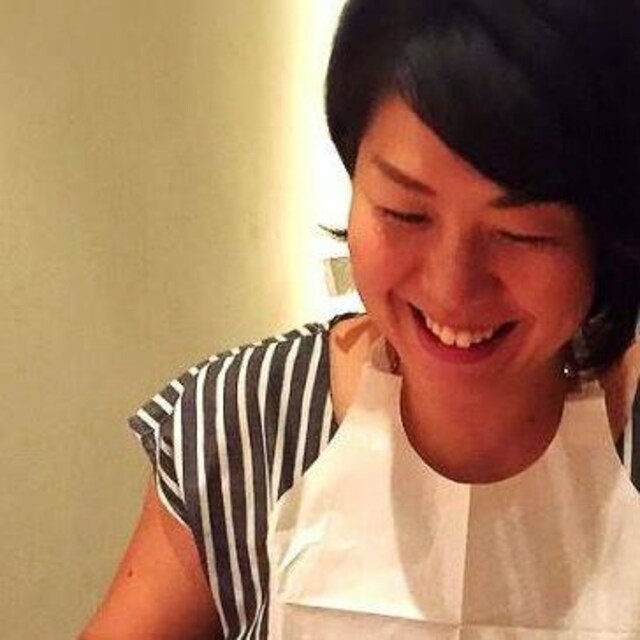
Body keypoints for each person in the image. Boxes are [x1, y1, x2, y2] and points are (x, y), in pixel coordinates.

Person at [81, 0, 640, 637]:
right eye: (405, 212)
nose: (451, 287)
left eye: (521, 234)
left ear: (607, 235)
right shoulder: (242, 424)